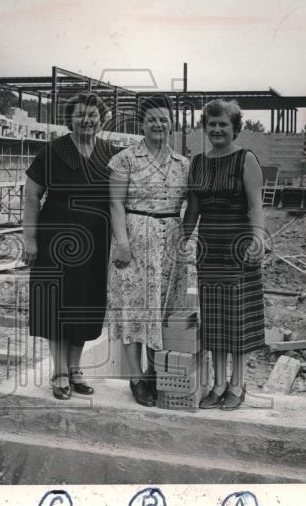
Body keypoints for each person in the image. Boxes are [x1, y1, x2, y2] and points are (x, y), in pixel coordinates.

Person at [22, 93, 114, 400]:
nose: (87, 120)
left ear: (103, 119)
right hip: (56, 238)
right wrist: (30, 238)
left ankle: (75, 369)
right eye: (80, 115)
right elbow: (32, 196)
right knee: (57, 306)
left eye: (93, 115)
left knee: (85, 305)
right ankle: (59, 371)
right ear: (69, 119)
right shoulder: (53, 151)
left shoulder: (110, 153)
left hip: (96, 243)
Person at [181, 99, 267, 410]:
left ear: (235, 128)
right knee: (215, 319)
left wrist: (258, 237)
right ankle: (217, 385)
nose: (217, 129)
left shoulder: (246, 159)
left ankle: (238, 384)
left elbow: (256, 205)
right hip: (209, 247)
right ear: (205, 128)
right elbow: (193, 209)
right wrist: (182, 238)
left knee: (236, 318)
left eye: (223, 124)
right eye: (212, 124)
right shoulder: (199, 163)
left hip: (237, 245)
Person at [108, 95, 193, 406]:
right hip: (134, 239)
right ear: (141, 124)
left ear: (172, 123)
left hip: (169, 243)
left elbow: (193, 204)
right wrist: (122, 243)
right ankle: (135, 376)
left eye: (163, 119)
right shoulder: (125, 159)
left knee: (162, 310)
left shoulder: (183, 164)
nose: (158, 124)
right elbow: (116, 202)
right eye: (152, 119)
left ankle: (155, 374)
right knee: (133, 310)